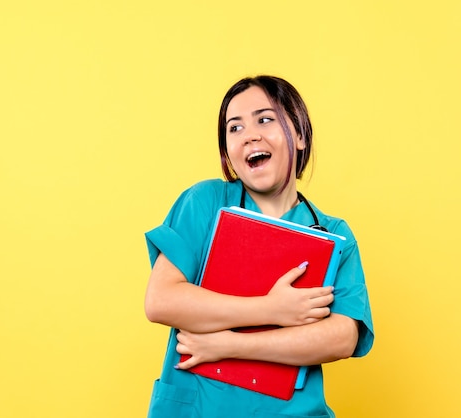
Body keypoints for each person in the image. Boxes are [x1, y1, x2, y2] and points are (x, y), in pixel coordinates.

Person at [144, 75, 374, 417]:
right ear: (228, 152)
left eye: (265, 119)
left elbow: (343, 337)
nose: (250, 134)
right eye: (234, 128)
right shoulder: (204, 202)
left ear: (298, 135)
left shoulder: (332, 233)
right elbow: (161, 301)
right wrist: (272, 309)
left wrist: (230, 345)